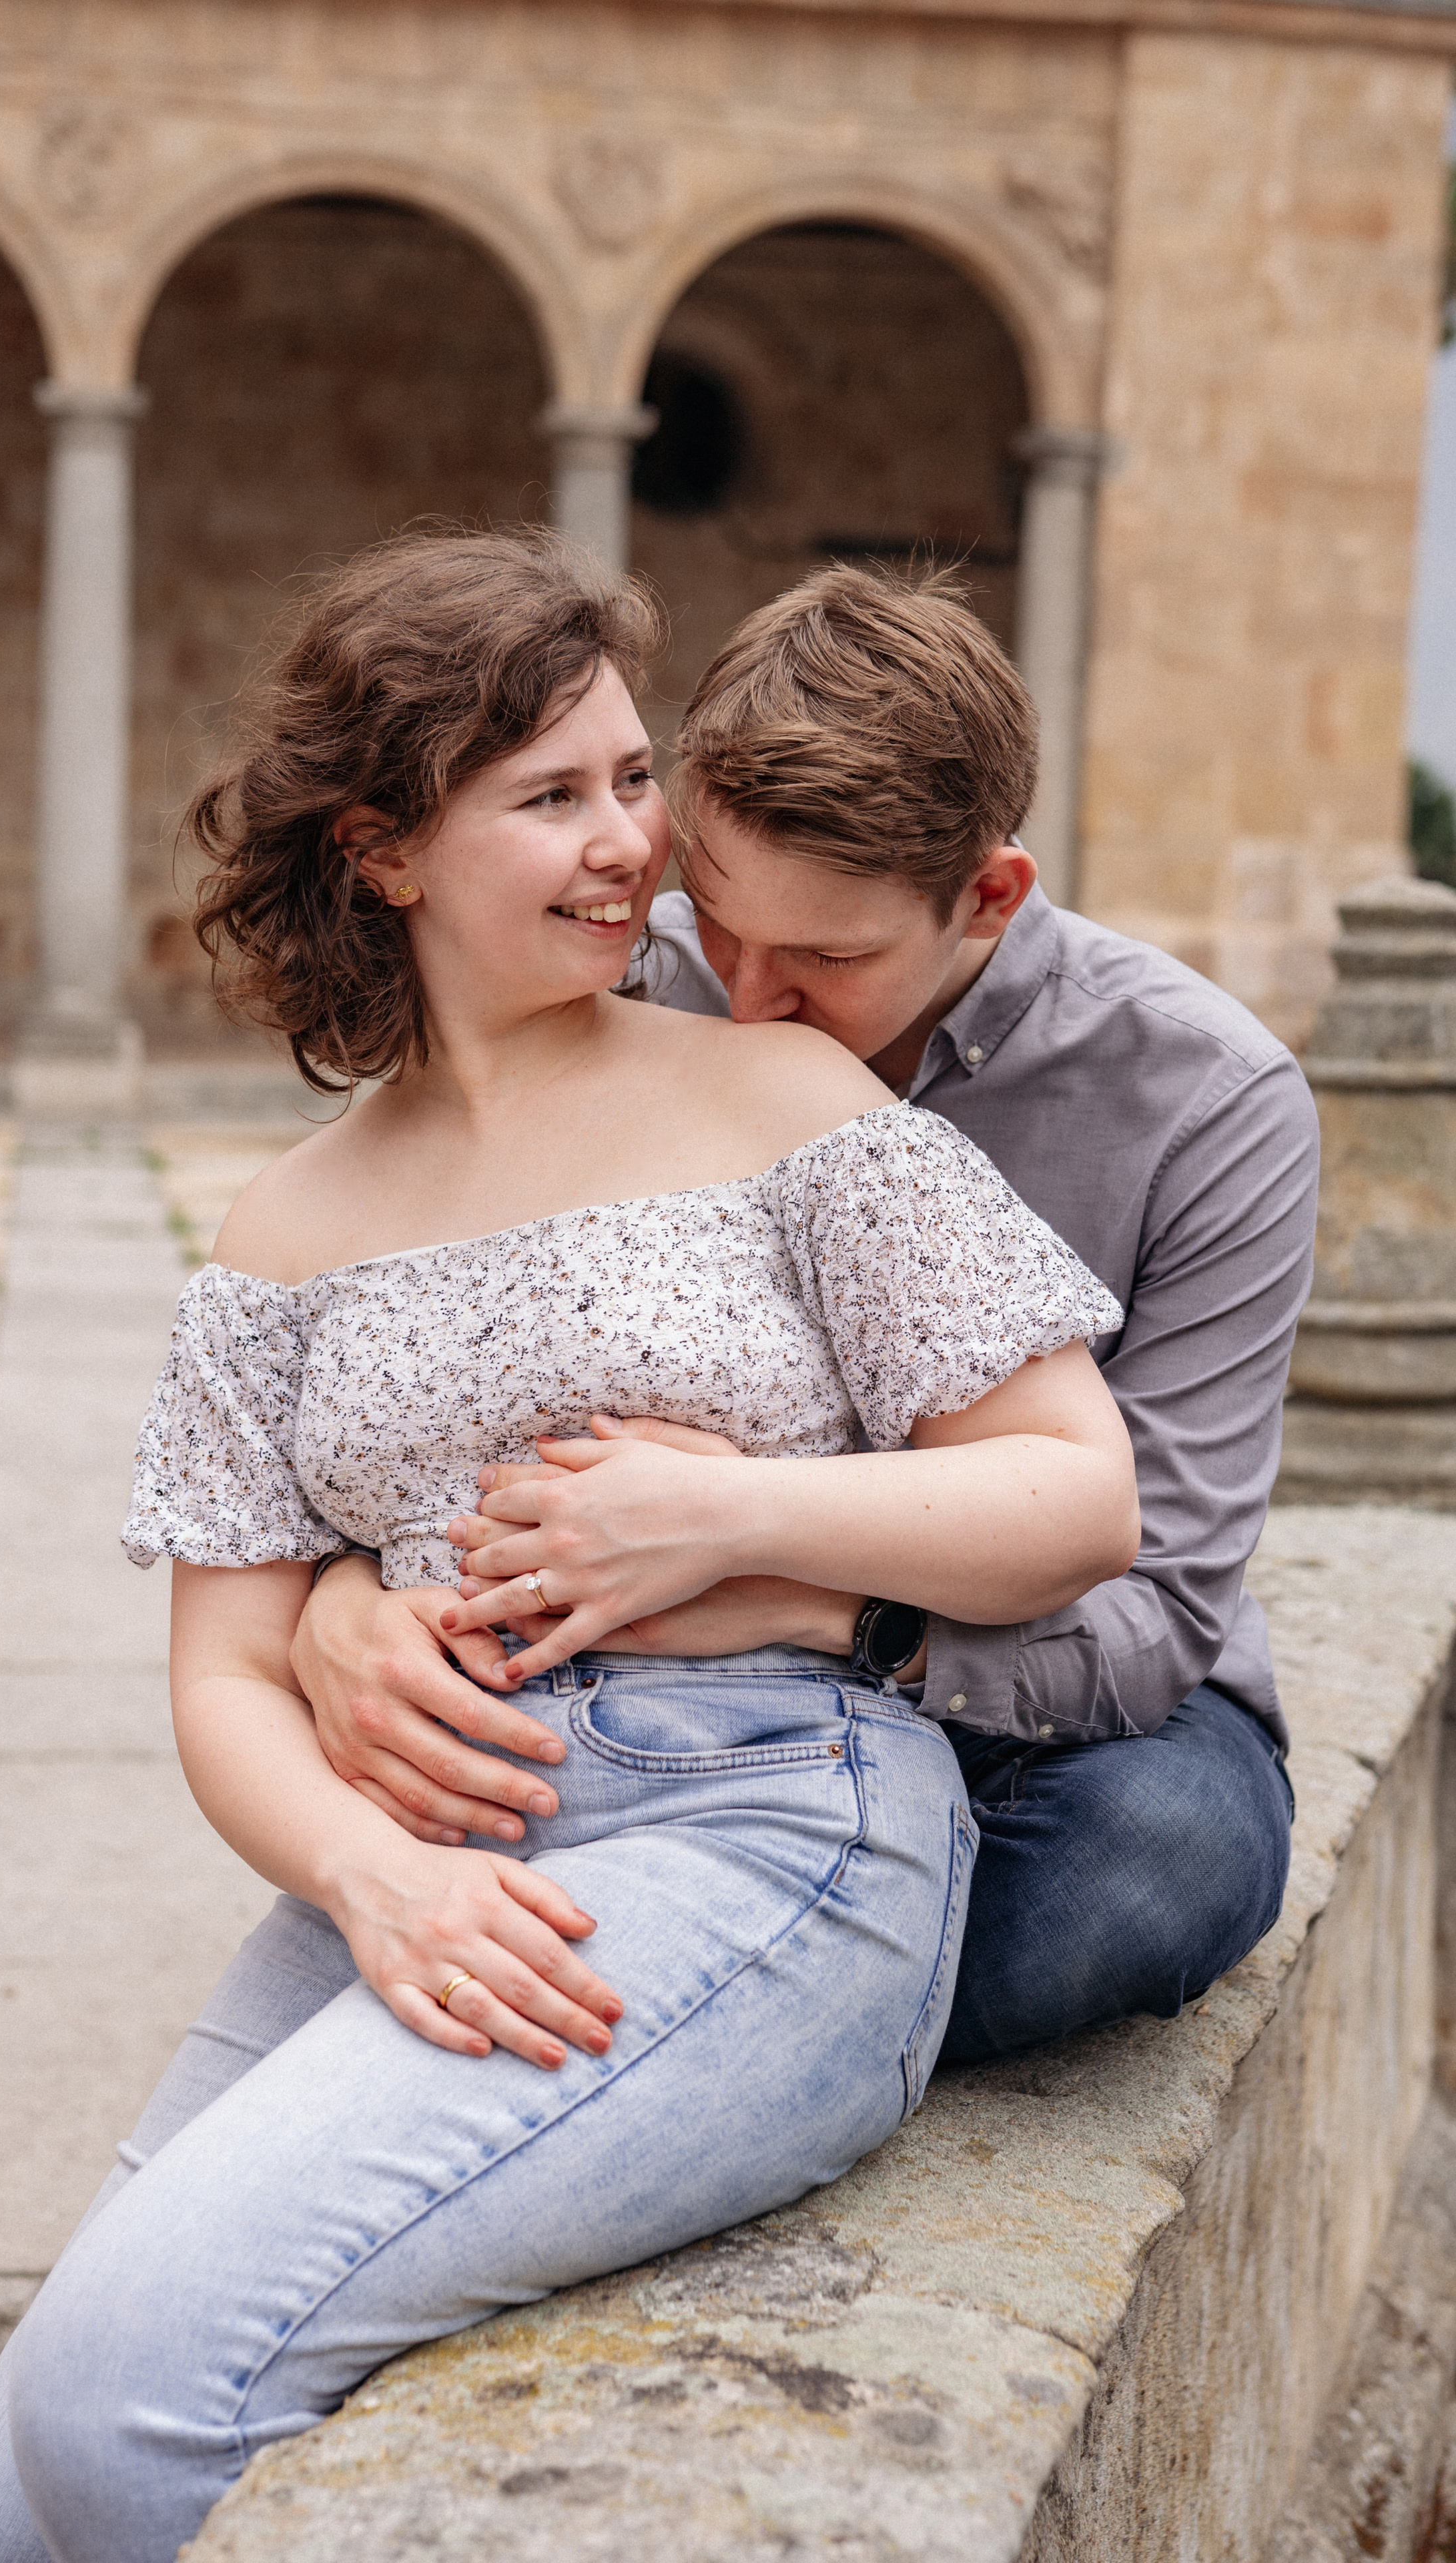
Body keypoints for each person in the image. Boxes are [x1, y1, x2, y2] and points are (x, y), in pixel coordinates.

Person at [0, 528, 1134, 2562]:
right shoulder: (284, 1231)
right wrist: (367, 1872)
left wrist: (726, 1514)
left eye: (634, 778)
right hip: (413, 1864)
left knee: (129, 2395)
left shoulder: (782, 1097)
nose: (629, 843)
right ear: (386, 850)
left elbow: (1074, 1499)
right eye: (552, 795)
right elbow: (224, 1678)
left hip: (763, 1820)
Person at [290, 559, 1313, 2066]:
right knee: (444, 1777)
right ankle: (675, 1997)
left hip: (1047, 1715)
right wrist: (334, 1597)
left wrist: (801, 1588)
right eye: (718, 920)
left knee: (1149, 1873)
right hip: (669, 1688)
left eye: (829, 959)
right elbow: (421, 1339)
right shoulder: (635, 971)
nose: (747, 999)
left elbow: (1150, 1610)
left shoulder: (1209, 1101)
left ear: (988, 895)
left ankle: (632, 2023)